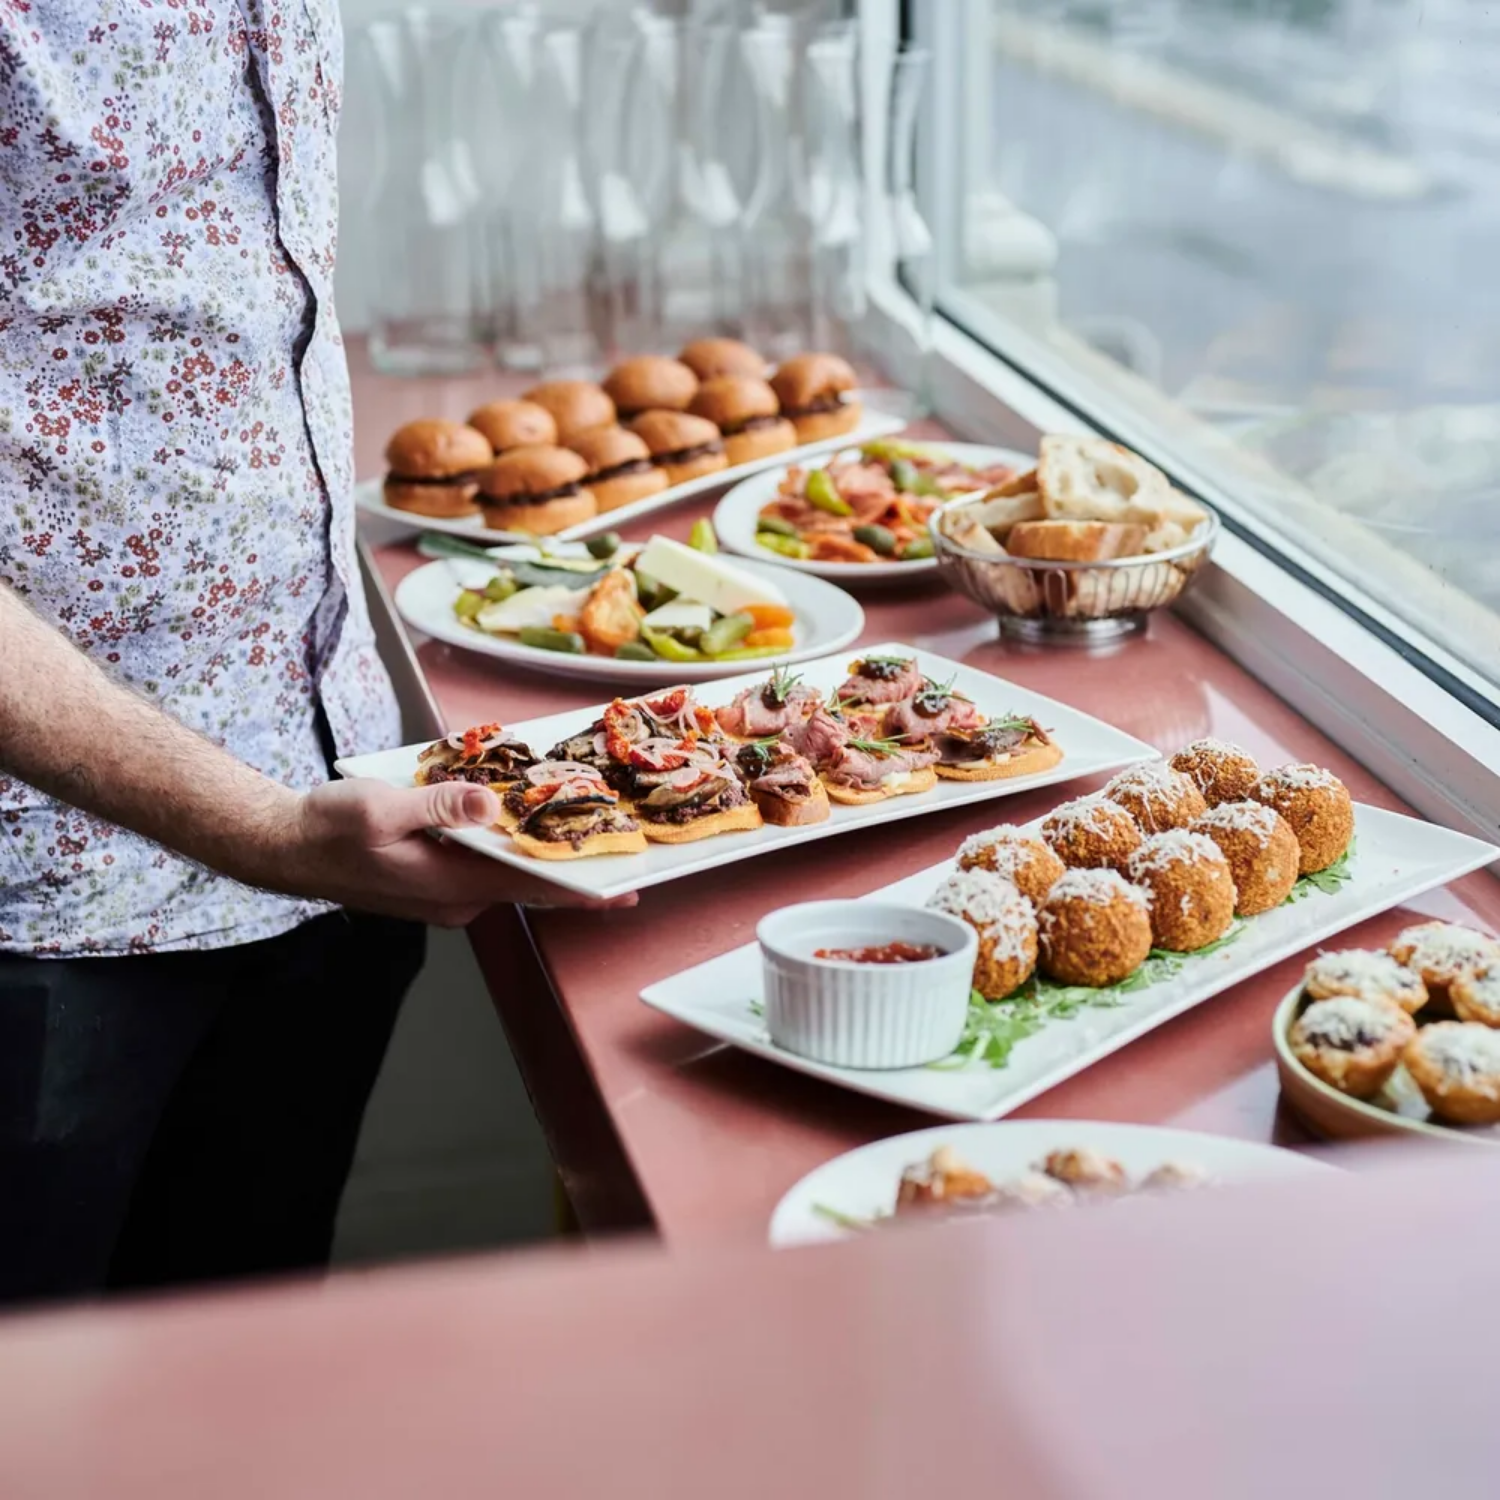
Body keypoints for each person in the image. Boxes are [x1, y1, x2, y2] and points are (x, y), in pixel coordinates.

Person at [0, 4, 626, 1306]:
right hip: (47, 908)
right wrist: (265, 827)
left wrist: (297, 835)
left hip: (327, 831)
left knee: (233, 1419)